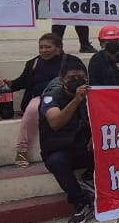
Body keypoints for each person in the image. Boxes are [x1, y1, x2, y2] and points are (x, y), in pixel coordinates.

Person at [5, 34, 85, 167]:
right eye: (41, 47)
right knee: (32, 109)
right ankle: (22, 150)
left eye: (48, 47)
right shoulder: (33, 63)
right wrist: (10, 84)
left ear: (59, 48)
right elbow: (23, 81)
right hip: (40, 98)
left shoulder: (71, 61)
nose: (43, 50)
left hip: (66, 96)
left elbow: (82, 78)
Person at [39, 61, 96, 223]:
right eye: (72, 77)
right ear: (62, 80)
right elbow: (55, 122)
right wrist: (76, 101)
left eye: (81, 77)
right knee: (57, 162)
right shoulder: (51, 96)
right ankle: (81, 202)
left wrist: (95, 135)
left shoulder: (92, 94)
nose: (77, 80)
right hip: (59, 148)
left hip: (83, 146)